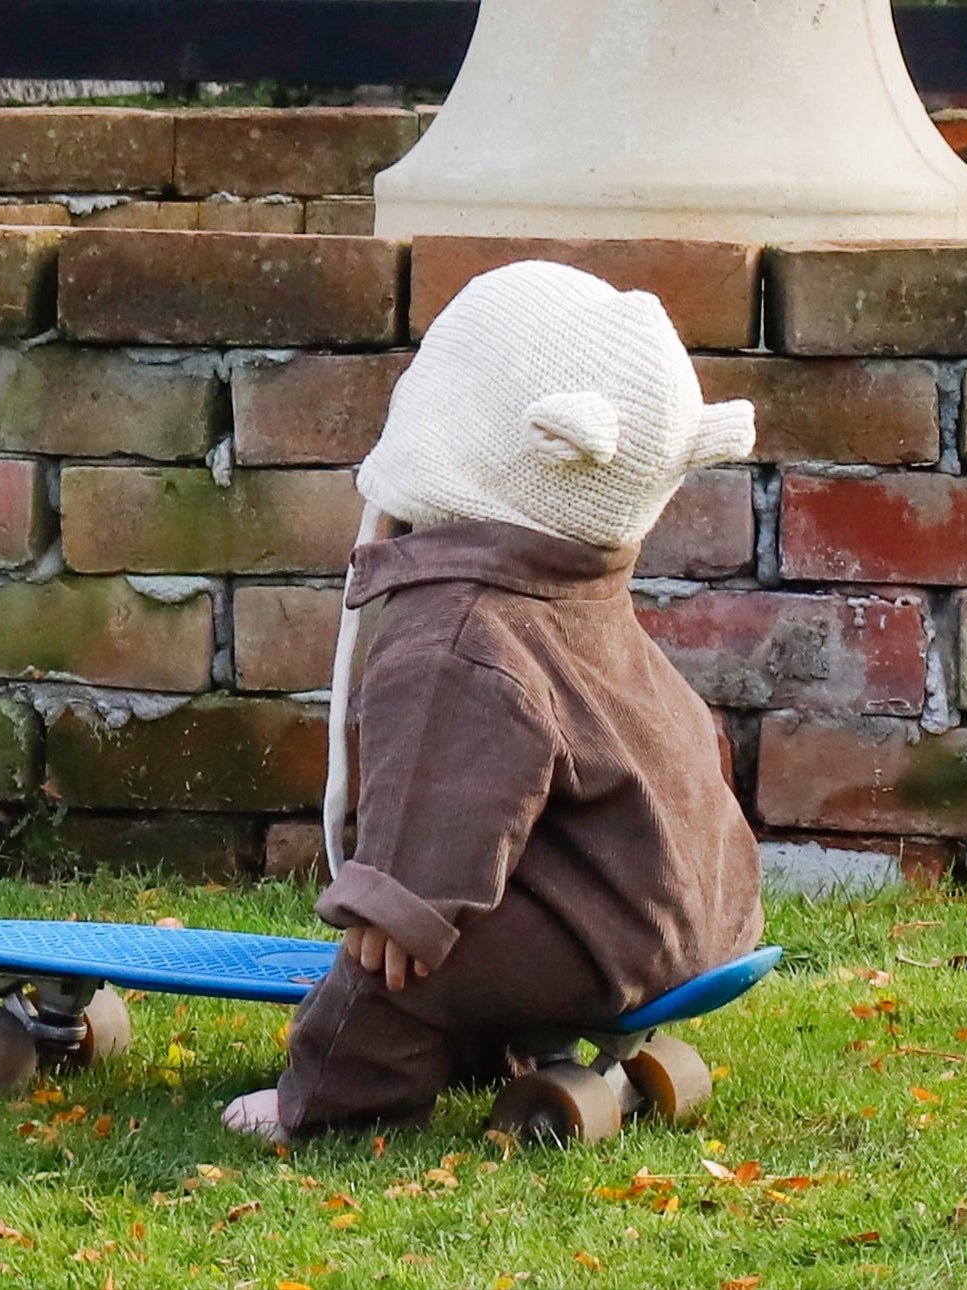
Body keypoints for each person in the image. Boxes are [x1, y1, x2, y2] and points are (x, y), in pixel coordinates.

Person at [223, 260, 764, 1142]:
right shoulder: (579, 595)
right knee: (480, 927)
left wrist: (400, 903)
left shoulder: (457, 629)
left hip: (598, 939)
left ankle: (327, 1110)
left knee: (395, 970)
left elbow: (449, 786)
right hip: (698, 915)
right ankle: (512, 1040)